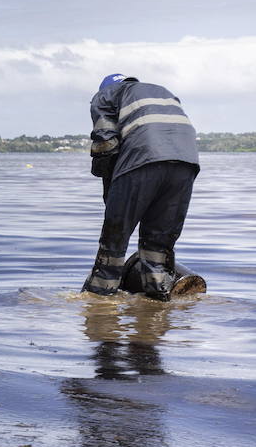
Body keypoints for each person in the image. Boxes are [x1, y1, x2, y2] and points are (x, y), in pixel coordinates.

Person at [82, 74, 200, 300]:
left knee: (114, 243)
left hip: (142, 159)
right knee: (158, 245)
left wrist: (111, 195)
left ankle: (98, 302)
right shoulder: (161, 90)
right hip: (186, 163)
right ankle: (158, 303)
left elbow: (105, 145)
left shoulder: (105, 95)